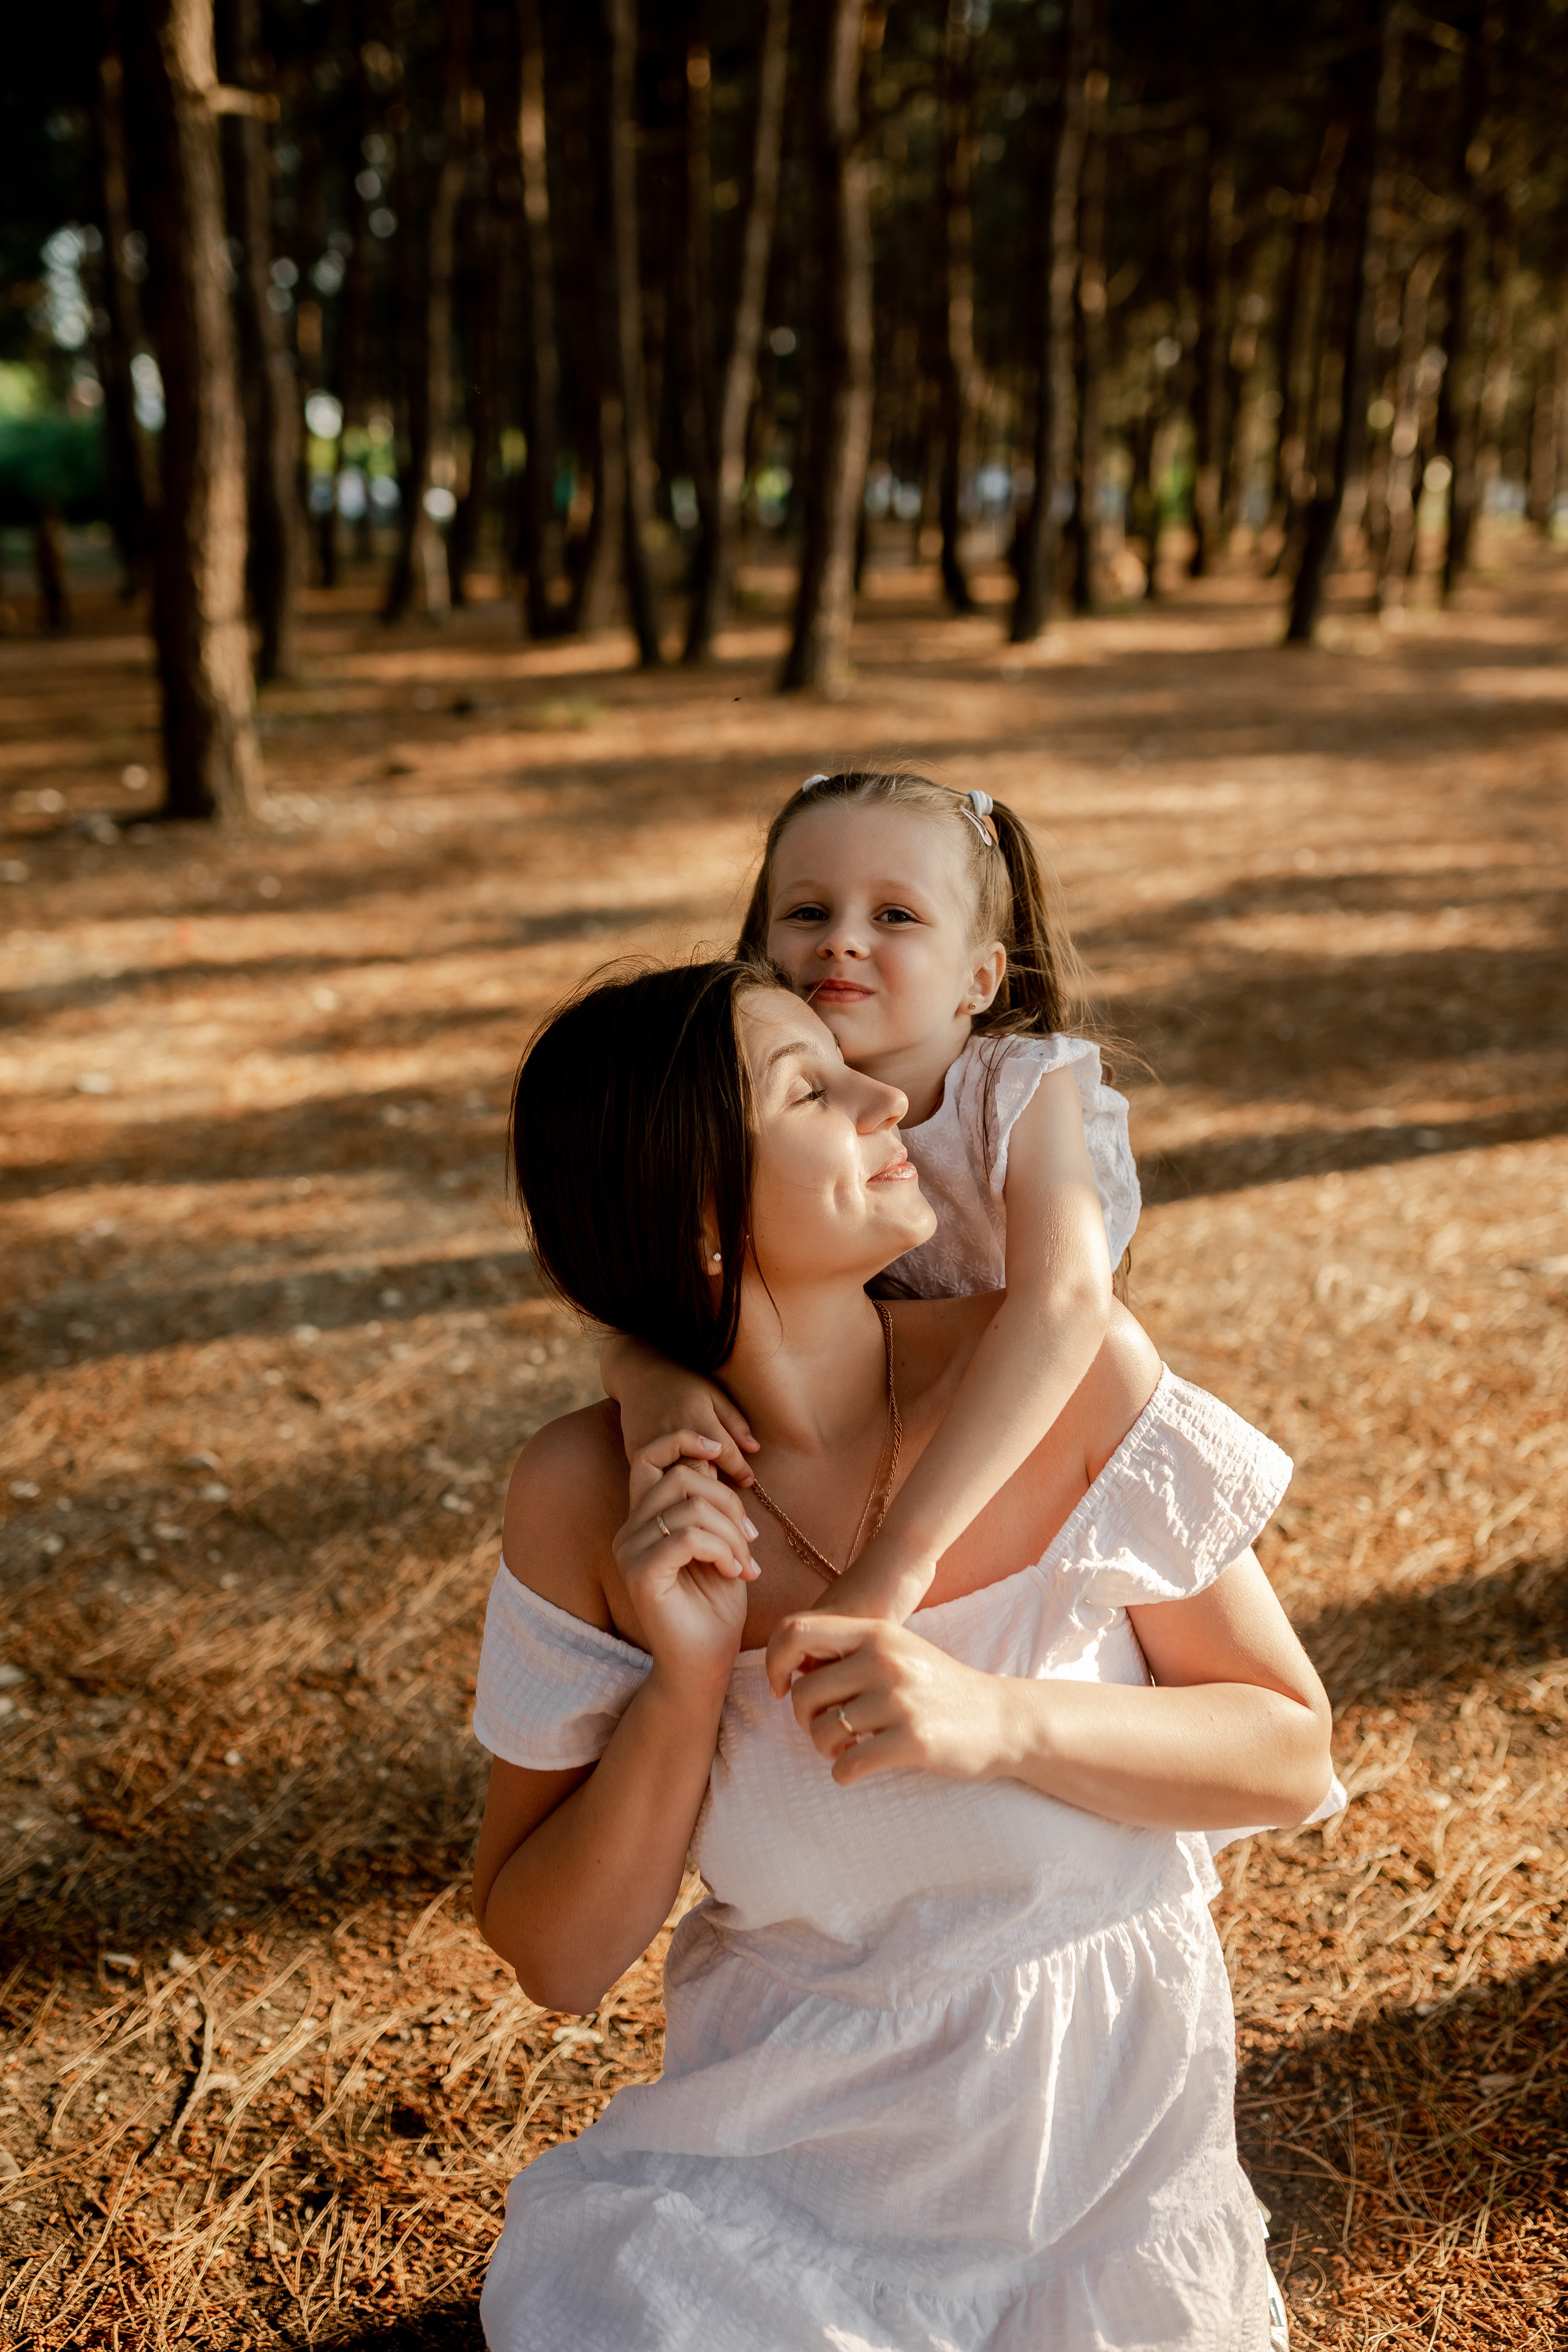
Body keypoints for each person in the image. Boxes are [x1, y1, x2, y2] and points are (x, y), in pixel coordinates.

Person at [472, 956, 1338, 2350]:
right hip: (759, 2209)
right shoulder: (586, 1495)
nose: (889, 1098)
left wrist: (998, 1722)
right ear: (697, 1208)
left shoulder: (1059, 1375)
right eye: (811, 1087)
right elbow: (557, 1958)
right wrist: (688, 1680)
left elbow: (1287, 1755)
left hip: (1093, 2208)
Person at [602, 769, 1141, 1659]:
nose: (842, 942)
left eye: (895, 916)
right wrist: (640, 1370)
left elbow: (1066, 1304)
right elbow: (679, 1259)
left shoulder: (1017, 1089)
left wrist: (898, 1561)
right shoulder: (749, 1108)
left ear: (980, 977)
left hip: (1018, 1422)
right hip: (841, 1430)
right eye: (808, 913)